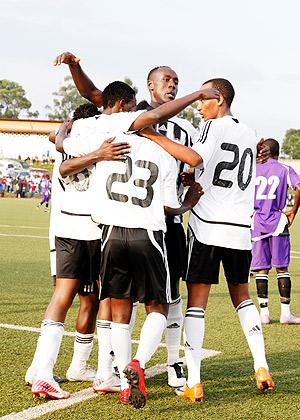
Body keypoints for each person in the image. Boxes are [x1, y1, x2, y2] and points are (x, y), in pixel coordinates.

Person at [56, 80, 217, 408]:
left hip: (111, 233)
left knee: (119, 306)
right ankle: (137, 365)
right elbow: (170, 203)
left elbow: (64, 149)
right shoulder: (165, 152)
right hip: (147, 233)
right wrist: (188, 204)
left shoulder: (109, 141)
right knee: (157, 305)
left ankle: (120, 374)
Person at [137, 78, 275, 402]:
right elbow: (215, 169)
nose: (199, 106)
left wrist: (153, 135)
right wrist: (195, 176)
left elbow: (196, 159)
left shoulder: (213, 127)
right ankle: (261, 365)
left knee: (197, 303)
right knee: (243, 297)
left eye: (204, 99)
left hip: (208, 226)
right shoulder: (249, 132)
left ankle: (194, 382)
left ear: (220, 100)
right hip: (240, 227)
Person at [29, 104, 130, 400]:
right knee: (104, 297)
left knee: (75, 298)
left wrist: (62, 131)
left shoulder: (66, 140)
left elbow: (58, 141)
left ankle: (43, 369)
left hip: (65, 229)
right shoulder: (91, 142)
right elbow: (65, 166)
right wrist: (99, 153)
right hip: (89, 231)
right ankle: (98, 371)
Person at [251, 138, 300, 324]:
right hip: (278, 222)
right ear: (278, 153)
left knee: (261, 269)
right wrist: (293, 211)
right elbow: (299, 187)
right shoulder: (284, 169)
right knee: (281, 267)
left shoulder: (253, 169)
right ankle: (285, 314)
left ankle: (264, 314)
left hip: (257, 222)